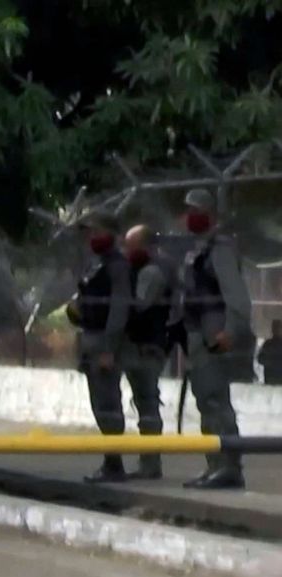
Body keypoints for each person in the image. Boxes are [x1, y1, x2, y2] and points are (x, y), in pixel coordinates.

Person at [180, 188, 251, 489]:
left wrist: (230, 331)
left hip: (216, 332)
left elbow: (237, 297)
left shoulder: (220, 247)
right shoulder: (200, 248)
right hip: (200, 335)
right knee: (207, 402)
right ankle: (215, 464)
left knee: (216, 403)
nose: (189, 215)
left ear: (209, 213)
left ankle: (229, 466)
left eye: (195, 209)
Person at [66, 212, 131, 483]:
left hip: (104, 341)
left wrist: (109, 349)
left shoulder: (117, 265)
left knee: (107, 403)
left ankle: (114, 463)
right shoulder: (97, 264)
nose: (91, 237)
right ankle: (110, 460)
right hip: (90, 337)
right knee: (99, 404)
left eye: (96, 231)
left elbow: (119, 309)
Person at [122, 224, 172, 480]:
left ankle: (151, 464)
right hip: (140, 345)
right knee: (144, 403)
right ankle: (148, 462)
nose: (127, 251)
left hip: (148, 346)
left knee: (148, 404)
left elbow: (138, 306)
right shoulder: (141, 269)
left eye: (132, 246)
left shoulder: (152, 272)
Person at [257, 320, 282, 385]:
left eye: (278, 327)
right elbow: (260, 359)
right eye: (275, 328)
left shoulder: (267, 344)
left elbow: (260, 359)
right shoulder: (267, 344)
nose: (276, 330)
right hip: (271, 378)